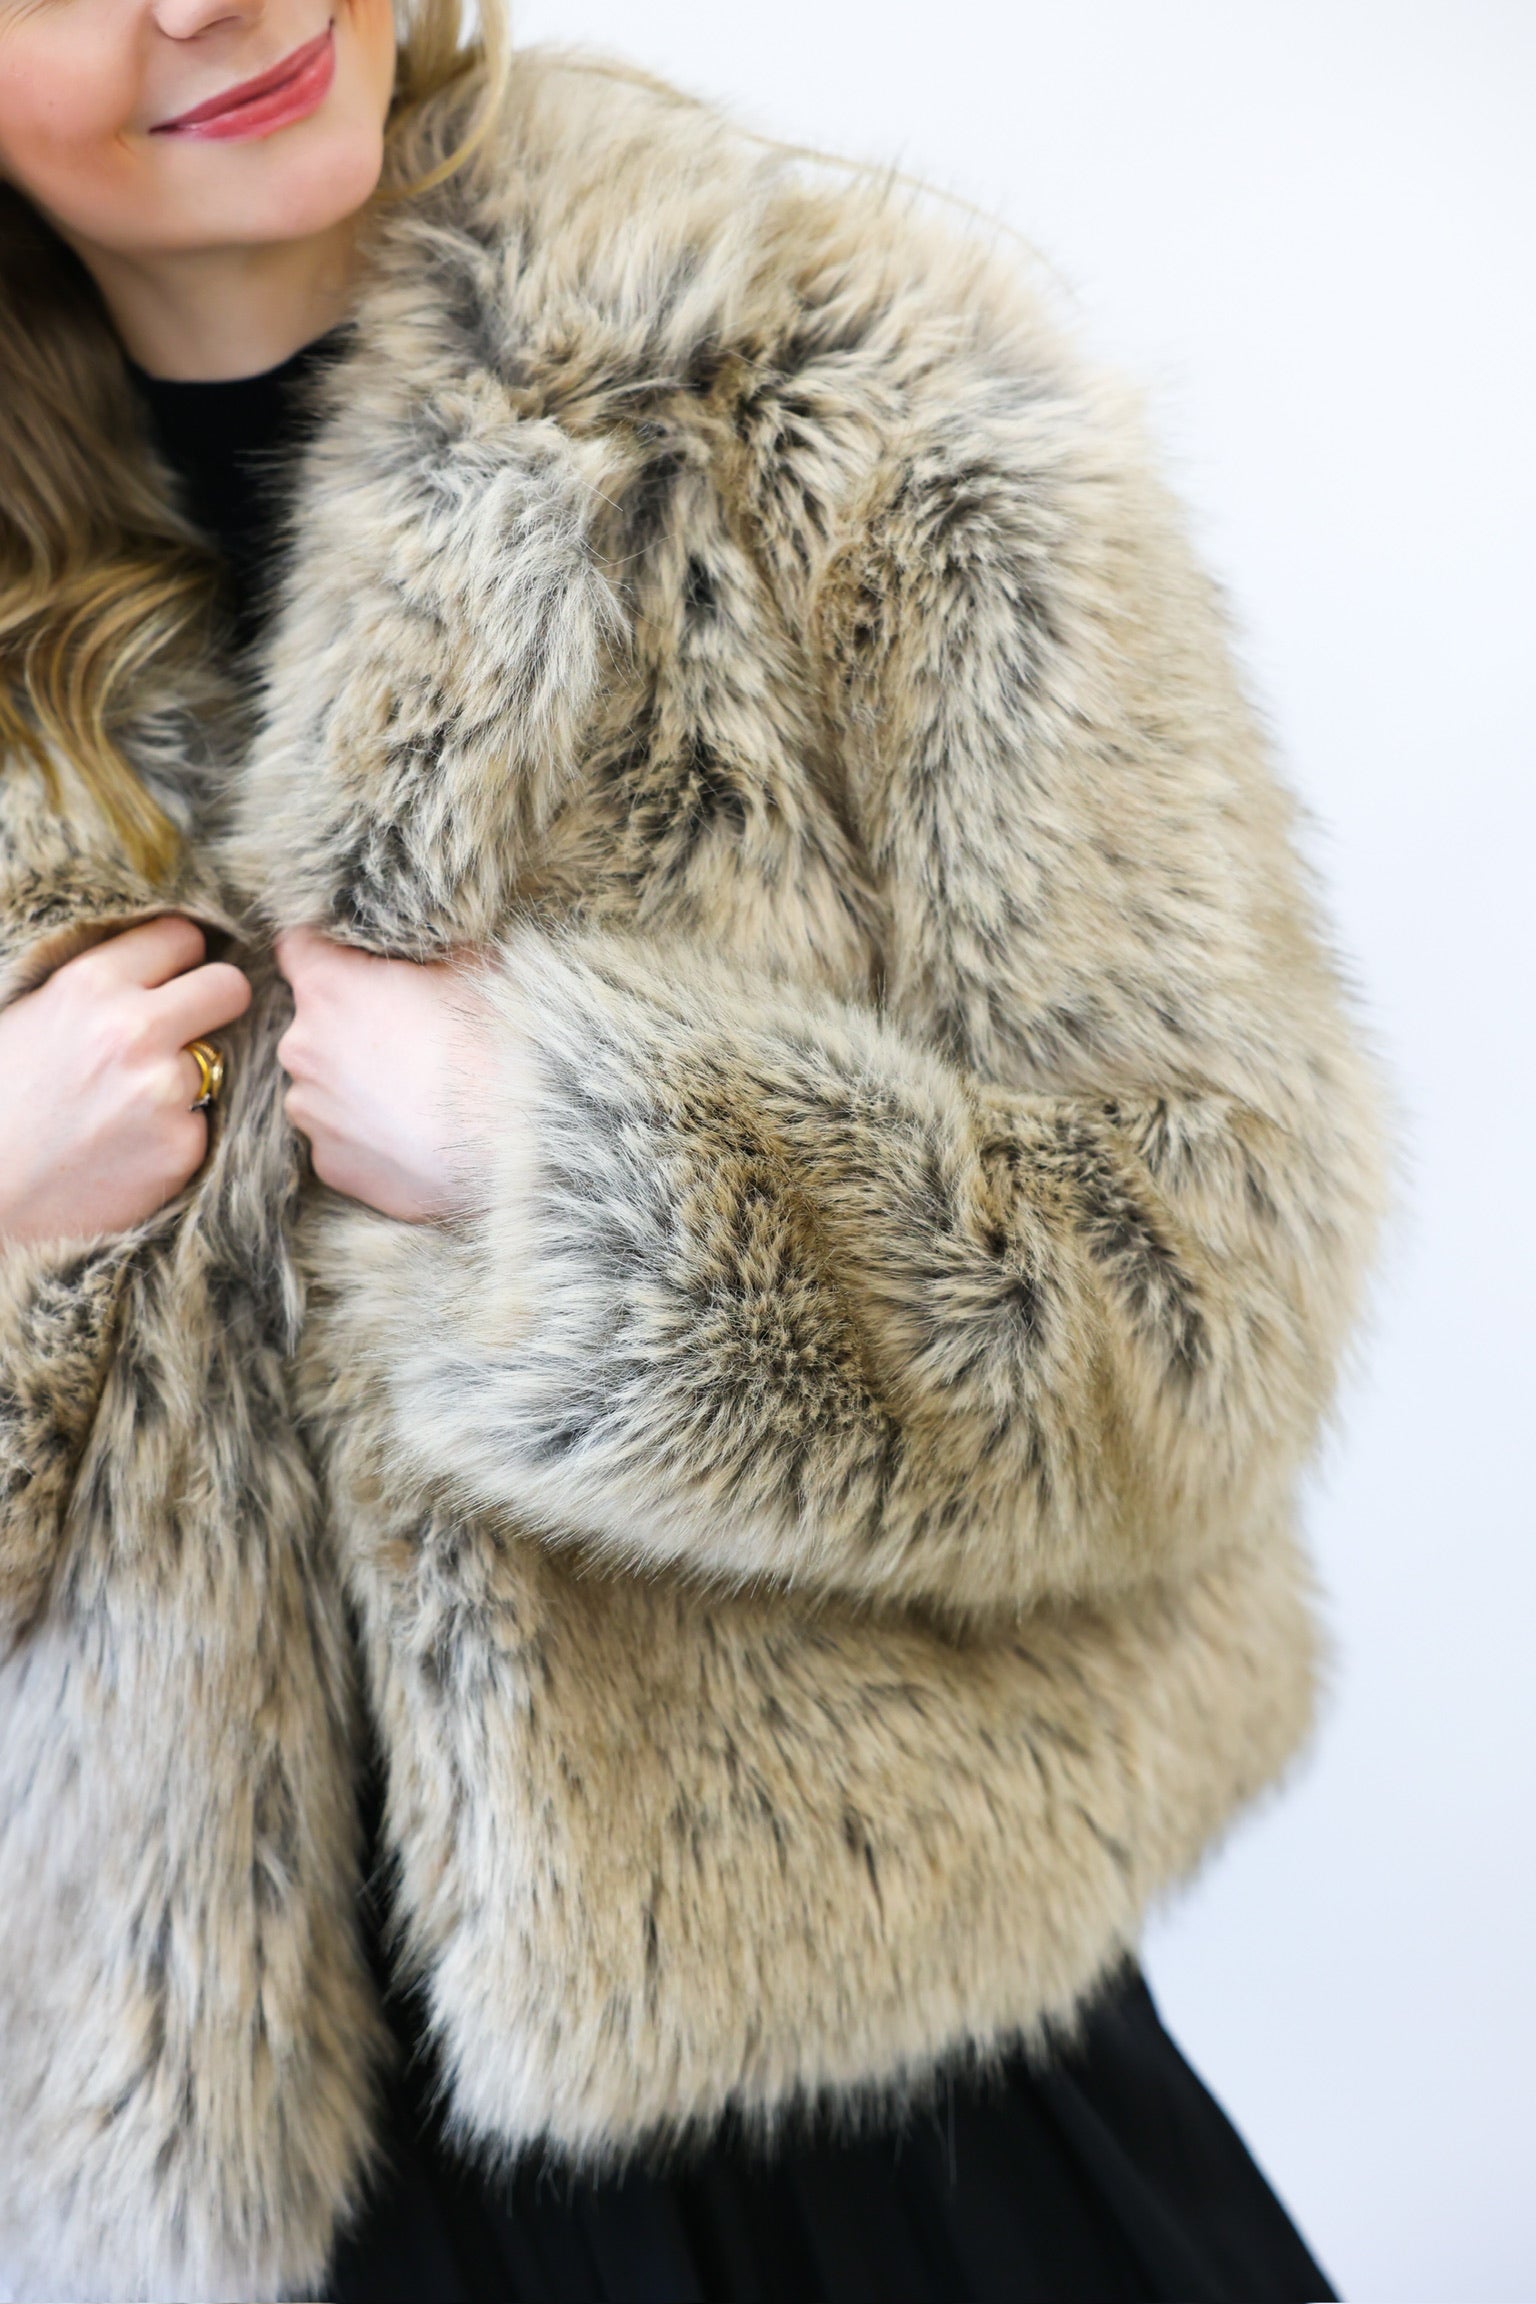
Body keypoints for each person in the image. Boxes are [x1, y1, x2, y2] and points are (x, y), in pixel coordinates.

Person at [0, 3, 1386, 2298]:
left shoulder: (856, 398)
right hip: (259, 2198)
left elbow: (1202, 1294)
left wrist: (556, 1153)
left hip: (875, 2111)